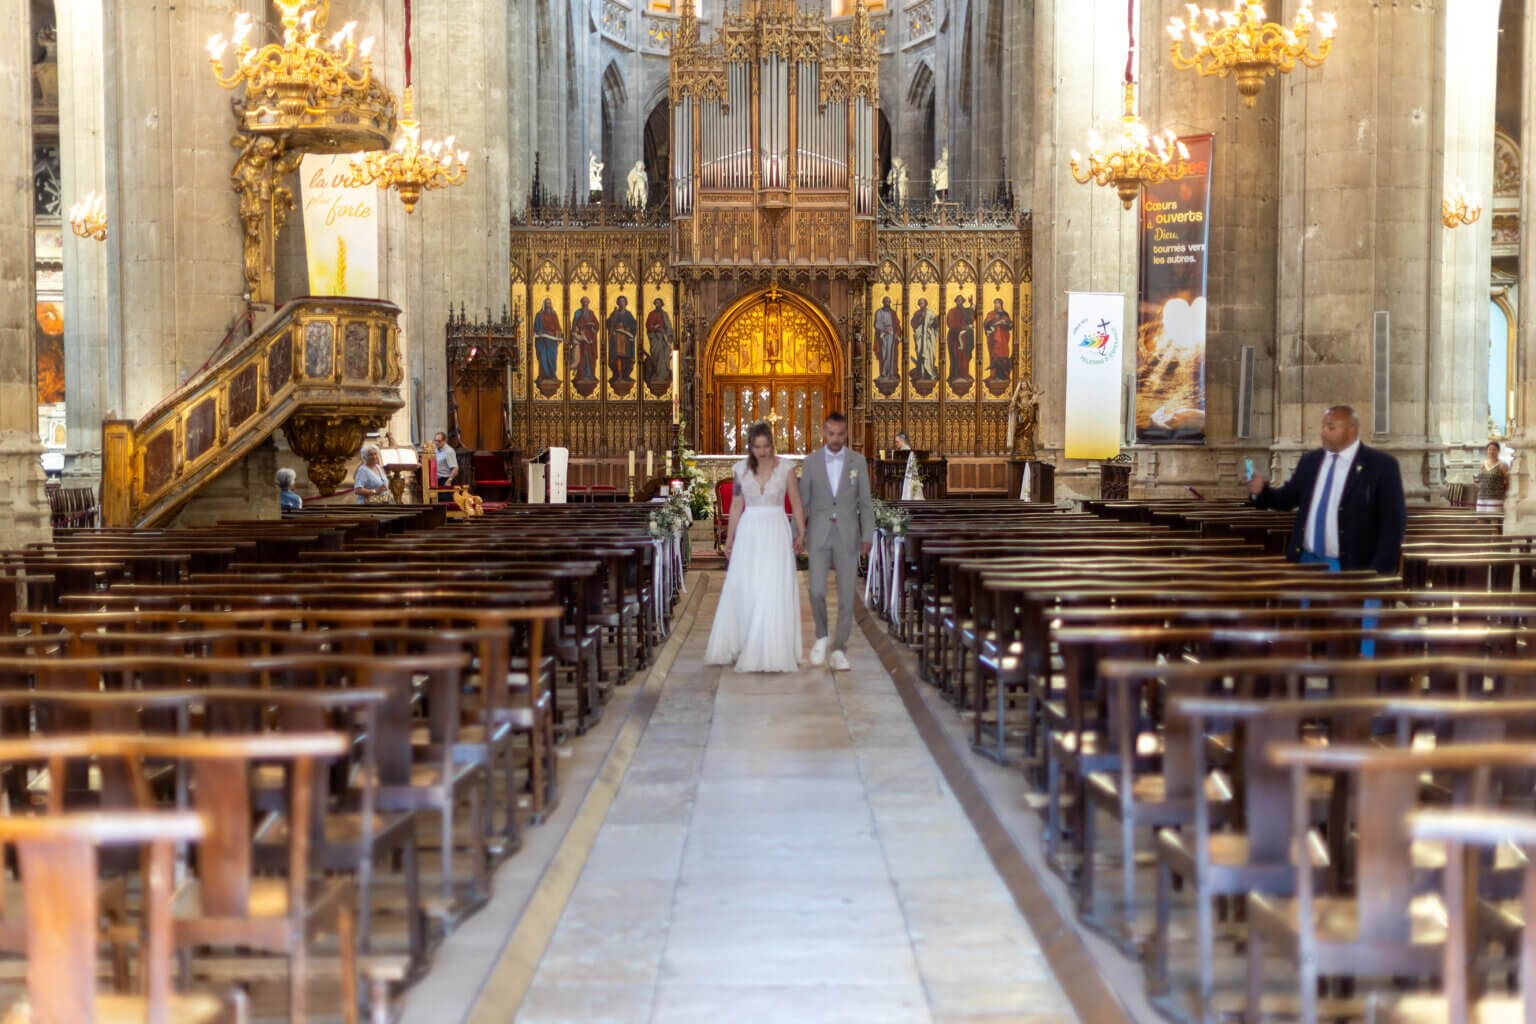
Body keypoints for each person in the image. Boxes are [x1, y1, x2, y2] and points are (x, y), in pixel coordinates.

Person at [1247, 405, 1406, 574]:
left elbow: (1393, 524)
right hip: (1306, 561)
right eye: (1323, 427)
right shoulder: (1310, 461)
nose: (1324, 432)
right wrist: (1261, 491)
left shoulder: (1381, 465)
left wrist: (1380, 573)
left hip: (1352, 568)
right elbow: (1287, 499)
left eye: (1331, 428)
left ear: (1351, 430)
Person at [704, 421, 806, 673]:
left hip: (776, 530)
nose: (762, 451)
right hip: (750, 531)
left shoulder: (786, 469)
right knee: (748, 585)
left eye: (766, 446)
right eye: (757, 447)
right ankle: (745, 640)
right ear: (750, 447)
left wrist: (802, 533)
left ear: (772, 444)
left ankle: (771, 647)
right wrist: (729, 539)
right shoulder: (741, 471)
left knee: (772, 585)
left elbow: (796, 502)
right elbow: (737, 505)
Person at [799, 412, 875, 671]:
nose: (835, 439)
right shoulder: (811, 462)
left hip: (847, 534)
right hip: (818, 533)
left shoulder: (858, 461)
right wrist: (797, 533)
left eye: (840, 434)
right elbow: (803, 502)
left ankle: (839, 648)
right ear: (824, 432)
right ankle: (821, 635)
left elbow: (865, 502)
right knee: (816, 589)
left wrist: (867, 536)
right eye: (831, 434)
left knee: (846, 595)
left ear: (846, 434)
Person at [1474, 440, 1509, 515]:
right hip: (1482, 496)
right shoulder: (1482, 464)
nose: (1491, 451)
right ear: (1487, 451)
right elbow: (1479, 479)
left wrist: (1504, 492)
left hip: (1496, 497)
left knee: (1494, 520)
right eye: (1489, 449)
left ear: (1498, 451)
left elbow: (1509, 481)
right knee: (1480, 519)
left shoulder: (1502, 465)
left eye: (1494, 449)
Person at [895, 432, 922, 501]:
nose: (896, 444)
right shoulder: (904, 450)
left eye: (897, 442)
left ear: (902, 441)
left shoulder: (905, 451)